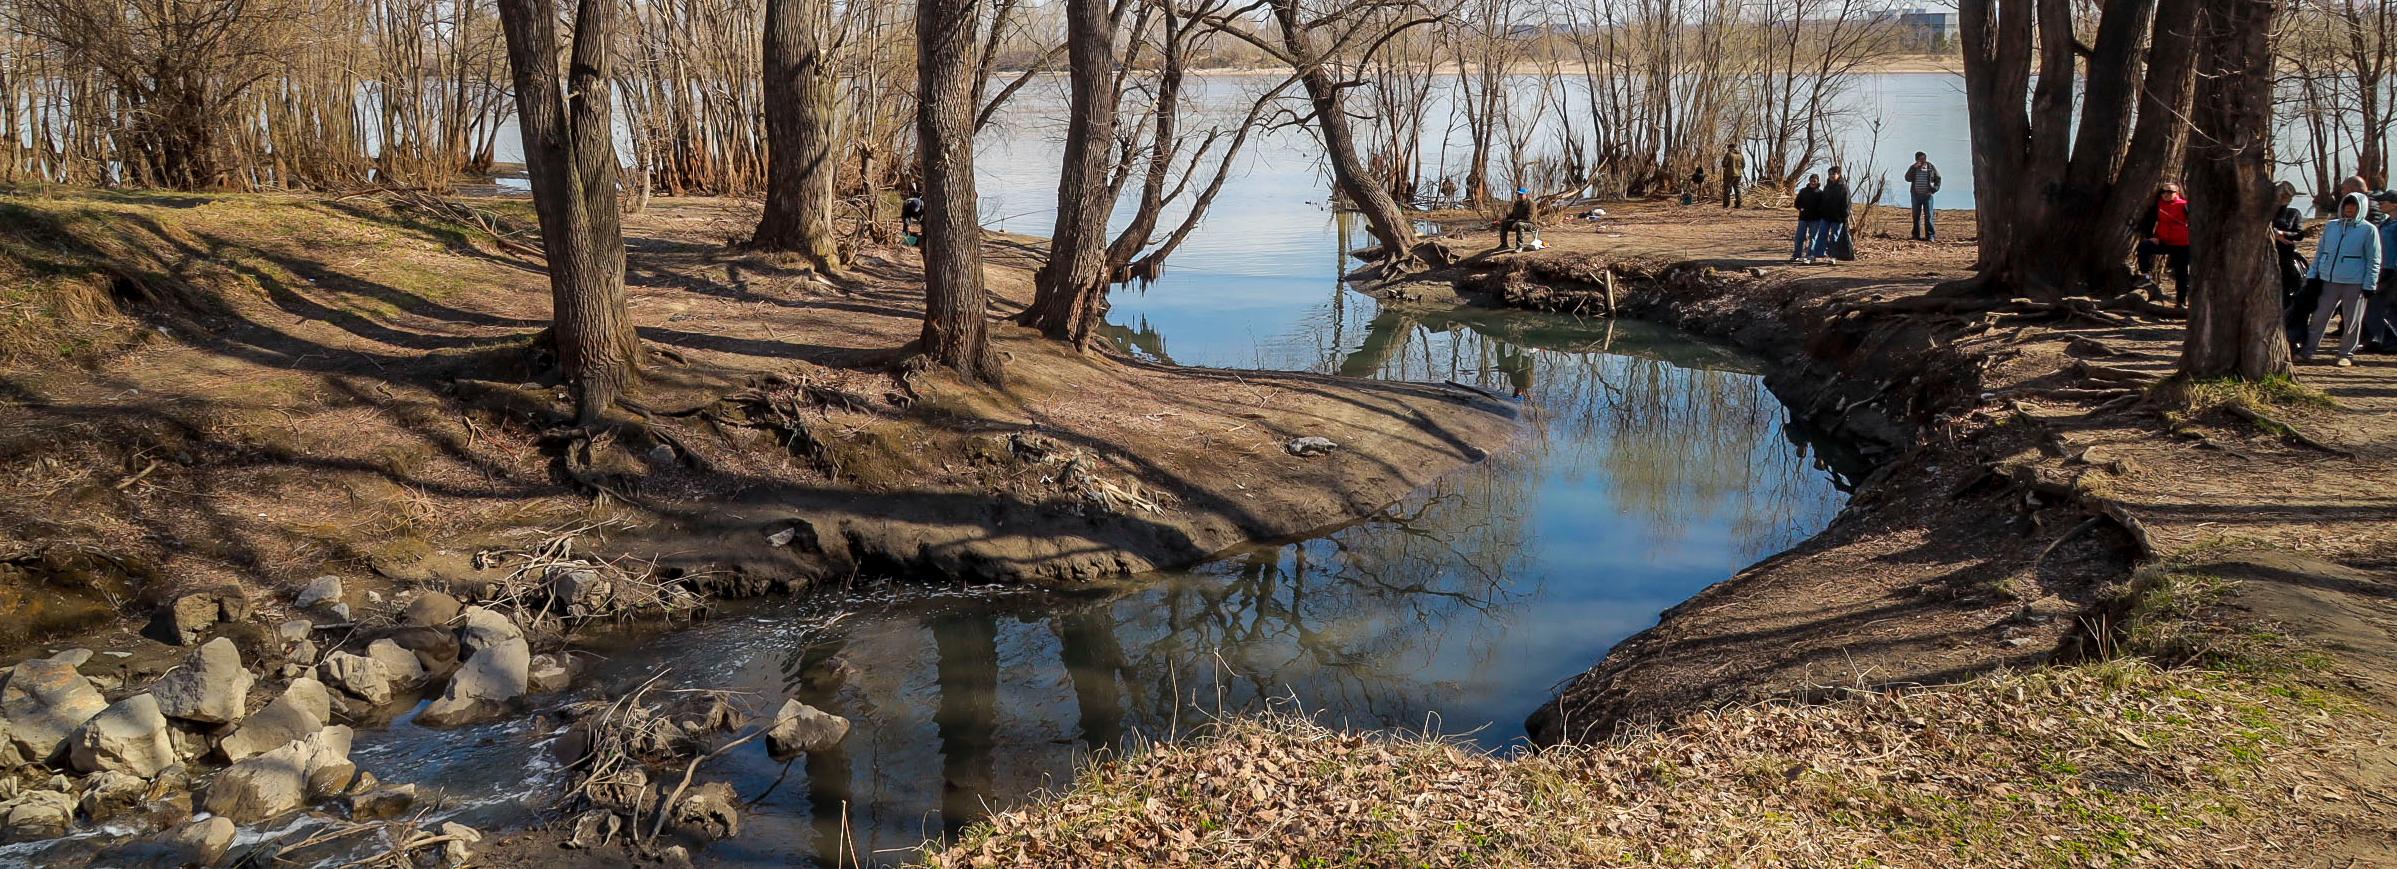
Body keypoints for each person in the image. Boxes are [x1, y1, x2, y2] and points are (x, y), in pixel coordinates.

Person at [2301, 191, 2381, 367]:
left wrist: (2369, 284)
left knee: (2352, 321)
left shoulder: (2369, 230)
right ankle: (2308, 351)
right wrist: (2312, 275)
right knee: (2319, 317)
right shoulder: (2332, 226)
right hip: (2329, 280)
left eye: (2354, 206)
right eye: (2347, 205)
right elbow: (2320, 252)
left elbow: (2374, 259)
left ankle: (2346, 354)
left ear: (2361, 208)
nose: (2349, 209)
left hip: (2355, 282)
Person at [2135, 182, 2192, 305]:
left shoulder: (2184, 205)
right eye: (2163, 192)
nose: (2166, 194)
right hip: (2163, 242)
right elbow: (2148, 222)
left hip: (2181, 245)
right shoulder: (2158, 205)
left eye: (2170, 192)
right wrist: (2151, 237)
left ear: (2176, 193)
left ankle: (2180, 302)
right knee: (2144, 246)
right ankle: (2146, 276)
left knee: (2181, 273)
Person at [2273, 181, 2315, 345]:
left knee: (2291, 297)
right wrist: (2273, 234)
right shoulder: (2265, 212)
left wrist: (2282, 234)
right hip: (2266, 258)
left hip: (2286, 259)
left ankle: (2292, 335)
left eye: (2287, 196)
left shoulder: (2293, 213)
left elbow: (2299, 234)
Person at [2369, 191, 2397, 352]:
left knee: (2380, 304)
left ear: (2395, 204)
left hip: (2392, 269)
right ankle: (2382, 339)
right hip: (2382, 267)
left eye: (2383, 202)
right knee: (2381, 305)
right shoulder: (2386, 222)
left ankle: (2389, 340)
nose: (2379, 204)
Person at [1812, 166, 1851, 262]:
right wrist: (1821, 211)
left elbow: (1847, 204)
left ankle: (1833, 256)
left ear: (1838, 174)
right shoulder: (1827, 186)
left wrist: (1844, 216)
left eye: (1833, 174)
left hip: (1837, 218)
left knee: (1835, 237)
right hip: (1826, 216)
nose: (1831, 176)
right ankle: (1818, 255)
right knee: (1821, 235)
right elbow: (1823, 200)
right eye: (1830, 174)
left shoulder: (1843, 188)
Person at [1904, 152, 1941, 241]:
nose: (1923, 161)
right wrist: (1913, 168)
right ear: (1916, 159)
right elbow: (1907, 178)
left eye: (1924, 159)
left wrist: (1933, 190)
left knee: (1929, 216)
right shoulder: (1913, 168)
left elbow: (1938, 178)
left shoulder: (1930, 167)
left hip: (1927, 196)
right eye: (1920, 159)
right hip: (1916, 195)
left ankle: (1930, 236)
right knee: (1916, 216)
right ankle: (1916, 235)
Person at [1791, 173, 1825, 264]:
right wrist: (1801, 208)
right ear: (1809, 181)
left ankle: (1810, 255)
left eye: (1814, 181)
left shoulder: (1820, 193)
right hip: (1803, 218)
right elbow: (1796, 203)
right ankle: (1797, 255)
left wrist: (1820, 213)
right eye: (1811, 180)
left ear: (1817, 182)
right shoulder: (1803, 191)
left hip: (1815, 219)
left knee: (1813, 237)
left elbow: (1823, 206)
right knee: (1799, 237)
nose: (1813, 182)